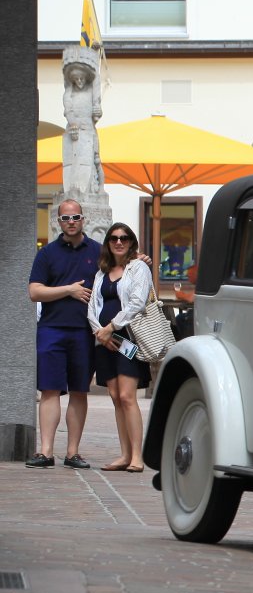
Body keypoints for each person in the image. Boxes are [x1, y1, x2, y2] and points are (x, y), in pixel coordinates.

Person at [26, 200, 100, 469]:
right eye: (66, 218)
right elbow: (34, 291)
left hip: (84, 331)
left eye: (76, 217)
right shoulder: (46, 253)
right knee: (49, 390)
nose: (71, 222)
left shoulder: (97, 251)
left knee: (79, 391)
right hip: (51, 329)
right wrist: (69, 290)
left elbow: (120, 268)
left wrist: (141, 259)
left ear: (83, 219)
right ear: (58, 221)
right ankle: (46, 452)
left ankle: (72, 453)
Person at [87, 223, 153, 472]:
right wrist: (101, 333)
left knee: (127, 396)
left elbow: (137, 302)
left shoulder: (138, 267)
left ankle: (137, 456)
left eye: (124, 238)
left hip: (129, 337)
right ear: (107, 243)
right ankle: (124, 455)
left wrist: (112, 327)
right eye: (114, 238)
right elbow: (92, 306)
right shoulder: (101, 272)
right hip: (105, 341)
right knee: (115, 397)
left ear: (131, 242)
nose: (118, 242)